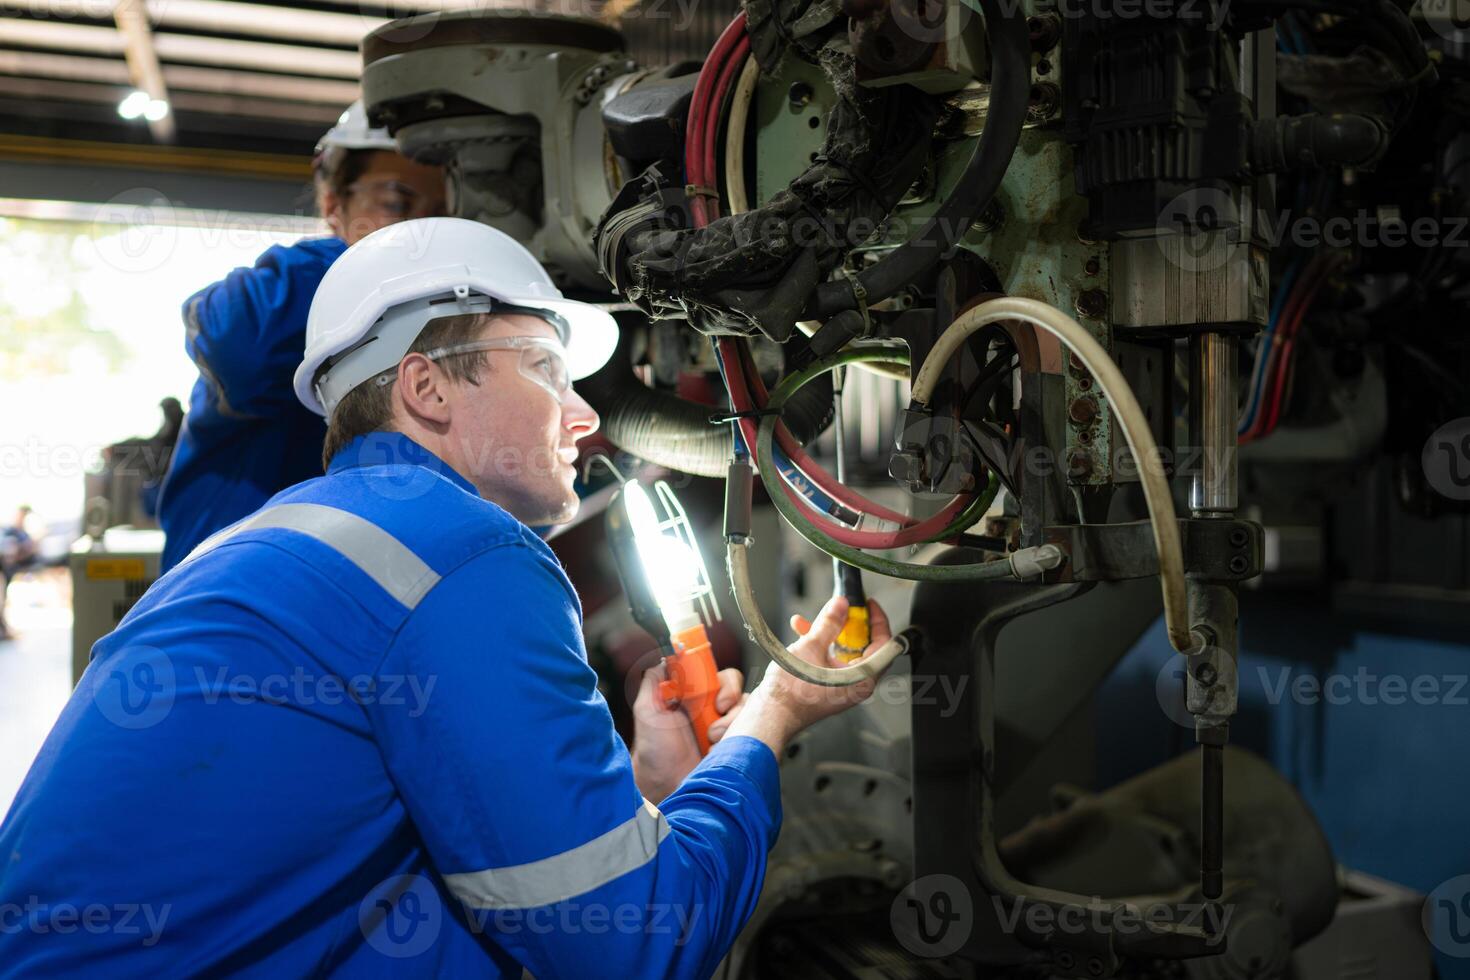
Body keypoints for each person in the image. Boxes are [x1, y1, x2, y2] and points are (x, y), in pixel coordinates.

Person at [0, 217, 893, 976]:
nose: (584, 415)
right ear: (427, 390)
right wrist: (767, 722)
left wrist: (642, 792)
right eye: (546, 367)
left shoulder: (293, 534)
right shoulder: (458, 549)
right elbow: (631, 945)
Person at [156, 101, 447, 571]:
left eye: (444, 213)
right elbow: (238, 343)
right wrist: (371, 265)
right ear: (334, 202)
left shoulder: (444, 327)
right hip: (231, 609)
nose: (423, 232)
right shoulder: (293, 297)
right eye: (397, 202)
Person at [0, 505, 39, 641]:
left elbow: (29, 551)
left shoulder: (24, 533)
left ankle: (4, 627)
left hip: (15, 565)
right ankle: (4, 628)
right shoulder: (10, 530)